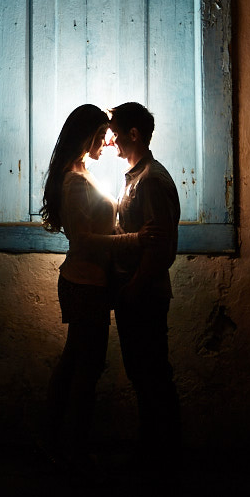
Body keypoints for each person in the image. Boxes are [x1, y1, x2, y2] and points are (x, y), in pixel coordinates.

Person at [41, 104, 155, 471]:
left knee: (77, 364)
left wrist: (123, 235)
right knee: (85, 370)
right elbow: (85, 241)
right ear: (86, 135)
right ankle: (70, 450)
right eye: (103, 135)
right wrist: (133, 240)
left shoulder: (81, 173)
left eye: (110, 135)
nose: (108, 142)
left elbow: (98, 232)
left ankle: (58, 444)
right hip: (84, 283)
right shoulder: (74, 181)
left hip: (91, 283)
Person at [107, 101, 181, 465]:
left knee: (152, 374)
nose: (112, 141)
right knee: (144, 372)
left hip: (144, 294)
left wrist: (134, 286)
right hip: (137, 291)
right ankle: (154, 451)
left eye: (116, 132)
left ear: (133, 134)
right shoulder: (137, 177)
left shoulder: (150, 180)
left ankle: (161, 458)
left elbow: (160, 245)